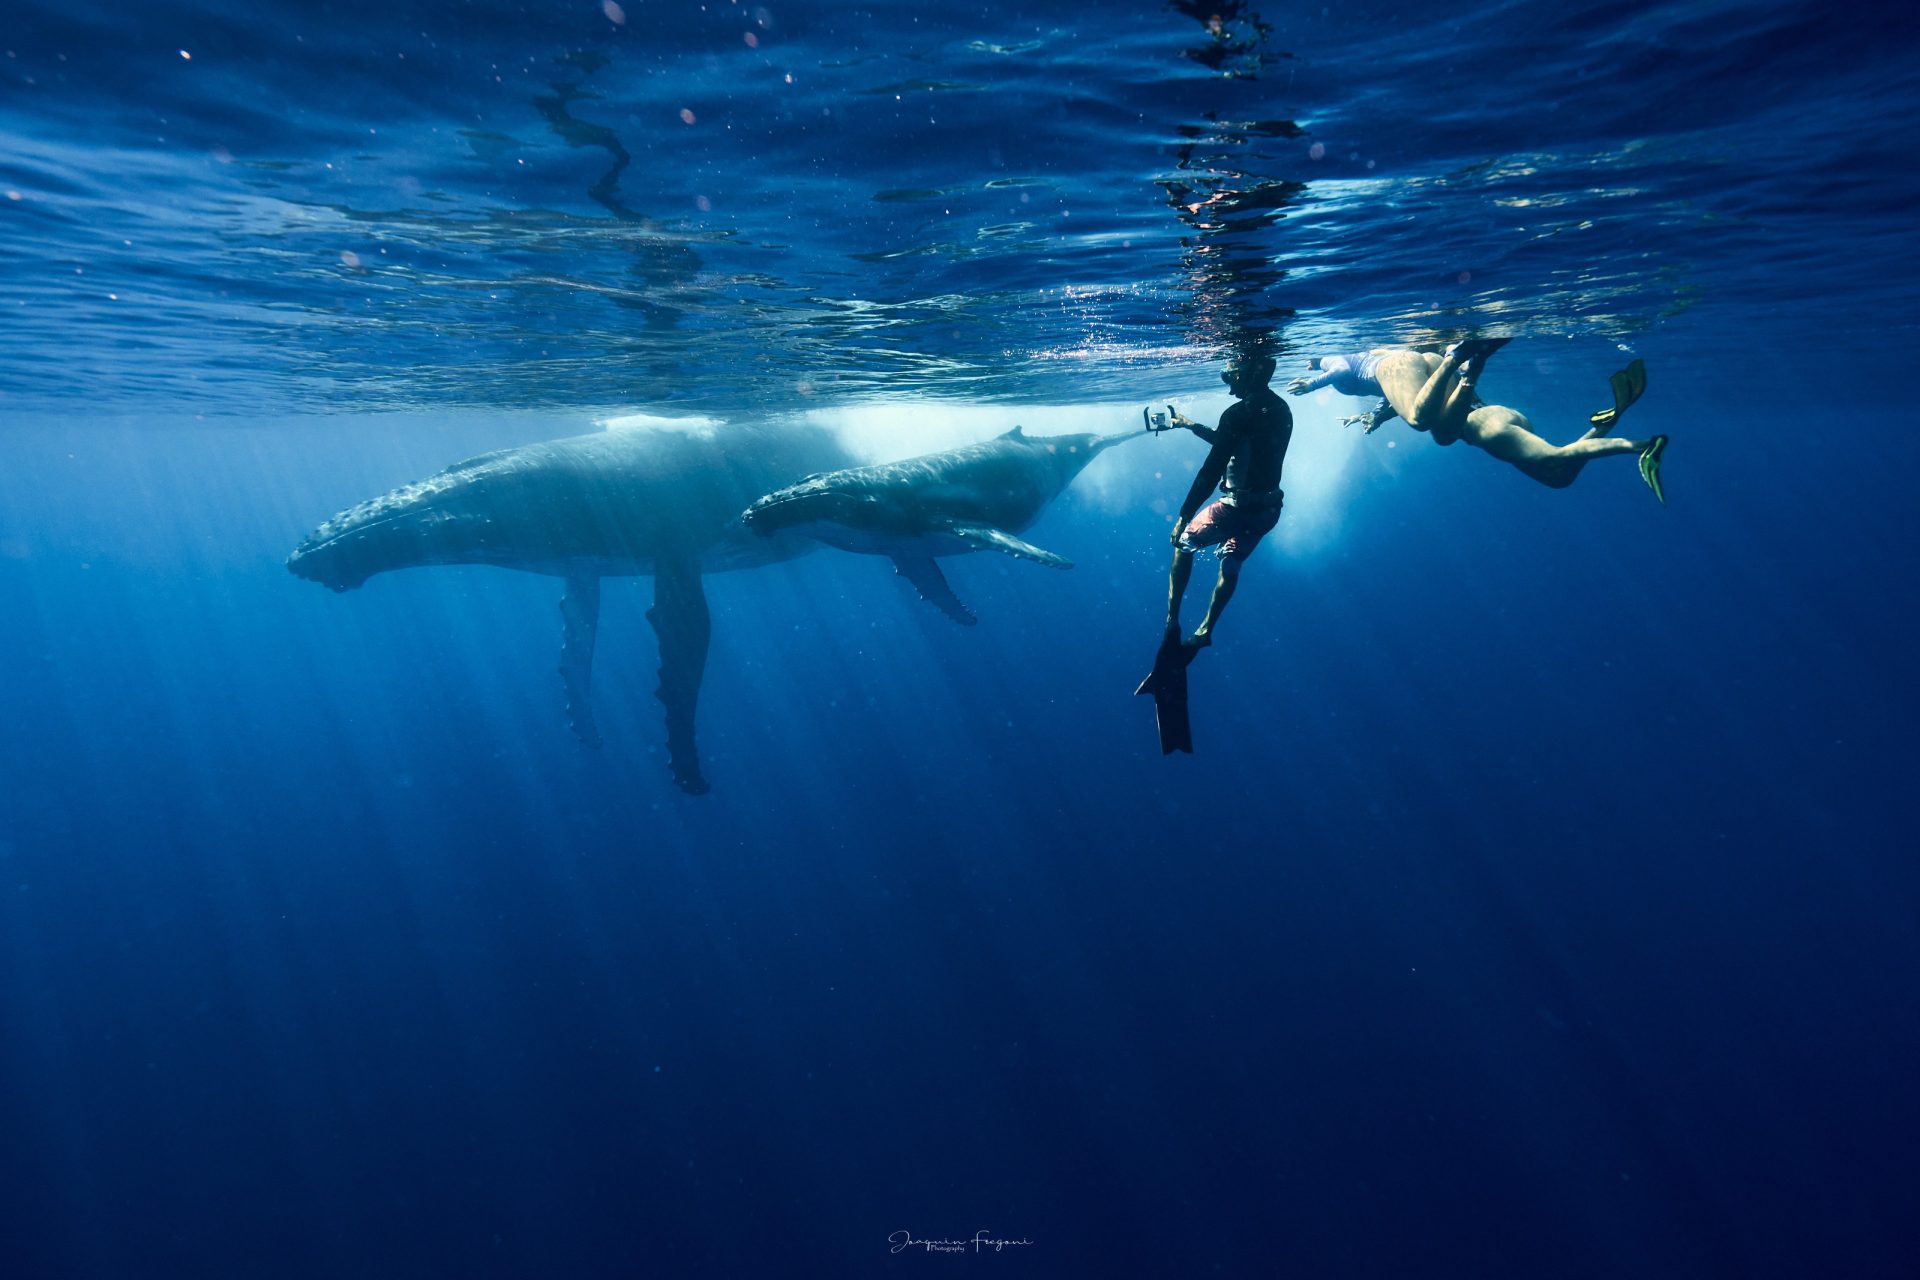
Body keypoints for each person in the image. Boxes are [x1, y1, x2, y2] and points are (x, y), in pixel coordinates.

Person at [1136, 353, 1293, 754]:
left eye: (1230, 373)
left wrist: (1182, 515)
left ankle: (1172, 619)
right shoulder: (1280, 408)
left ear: (1249, 370)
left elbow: (1211, 470)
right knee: (1232, 561)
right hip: (1268, 510)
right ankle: (1206, 629)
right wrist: (1190, 425)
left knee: (1184, 542)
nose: (1227, 382)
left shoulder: (1238, 412)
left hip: (1235, 505)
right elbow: (1239, 444)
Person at [1289, 341, 1667, 500]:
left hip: (1487, 427)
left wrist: (1315, 381)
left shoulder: (1351, 362)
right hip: (1498, 413)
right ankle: (1607, 418)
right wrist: (1374, 417)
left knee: (1554, 459)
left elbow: (1412, 404)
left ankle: (1642, 447)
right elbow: (1401, 399)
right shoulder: (1413, 369)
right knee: (1561, 477)